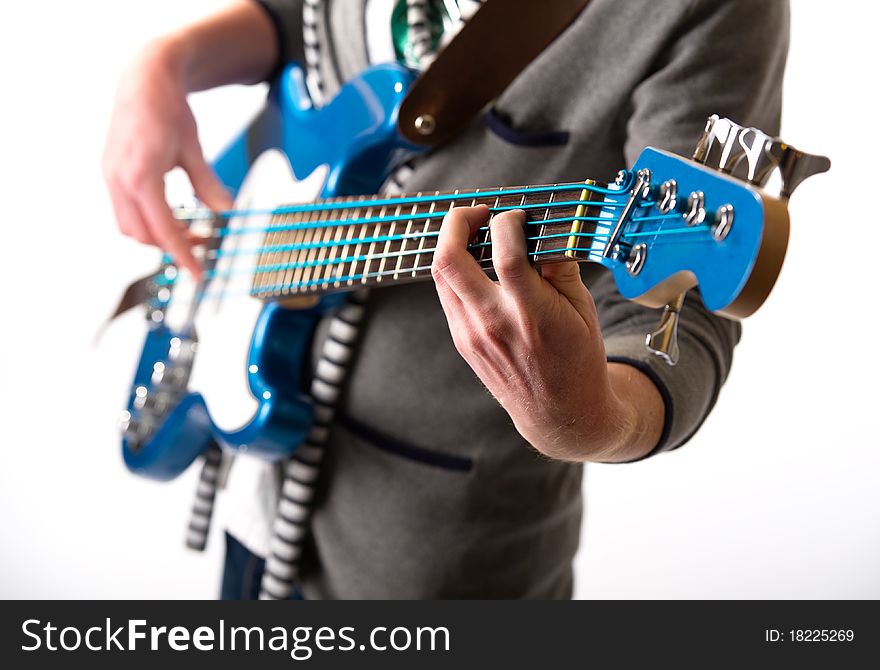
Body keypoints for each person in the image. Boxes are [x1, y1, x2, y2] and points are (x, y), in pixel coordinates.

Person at [103, 0, 789, 598]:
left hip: (432, 567)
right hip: (252, 502)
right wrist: (164, 62)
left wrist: (591, 418)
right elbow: (301, 18)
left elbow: (680, 316)